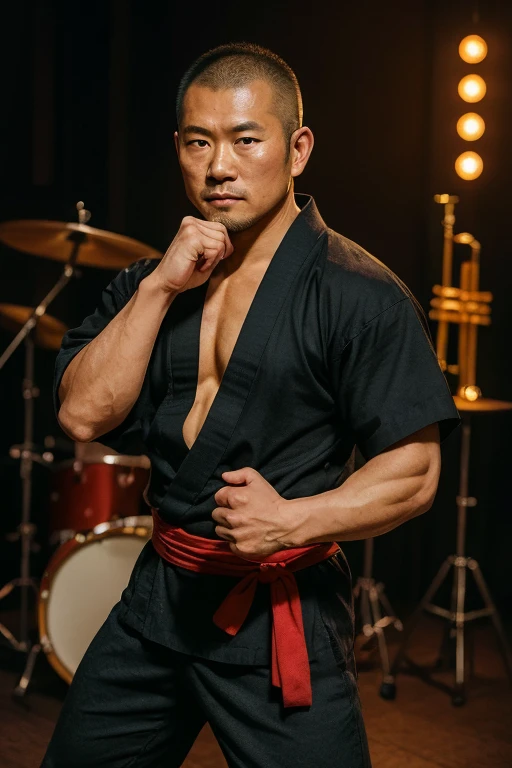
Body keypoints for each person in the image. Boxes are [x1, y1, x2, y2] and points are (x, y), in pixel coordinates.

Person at [41, 42, 460, 768]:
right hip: (160, 602)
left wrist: (294, 519)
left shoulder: (358, 294)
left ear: (297, 149)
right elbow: (82, 415)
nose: (219, 167)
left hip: (277, 616)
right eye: (199, 142)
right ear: (178, 147)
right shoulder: (153, 283)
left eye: (245, 139)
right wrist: (158, 289)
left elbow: (417, 470)